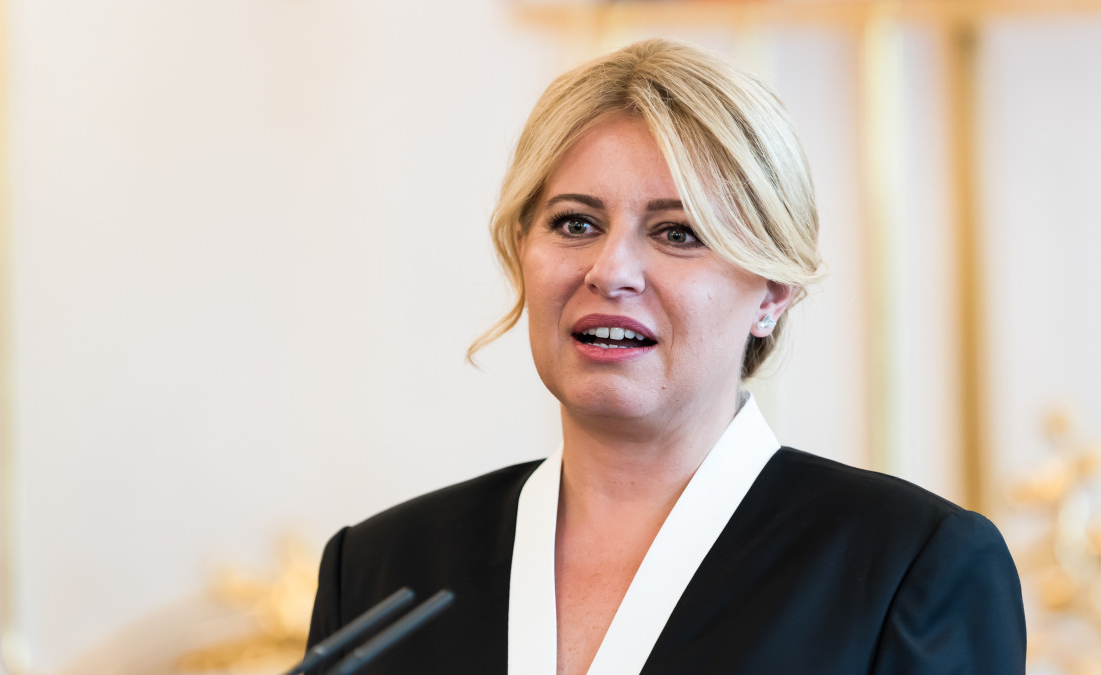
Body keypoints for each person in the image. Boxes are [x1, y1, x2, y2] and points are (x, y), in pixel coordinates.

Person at [305, 38, 1026, 674]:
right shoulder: (378, 567)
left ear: (771, 292)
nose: (610, 270)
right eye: (575, 223)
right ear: (523, 250)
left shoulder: (911, 566)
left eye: (678, 232)